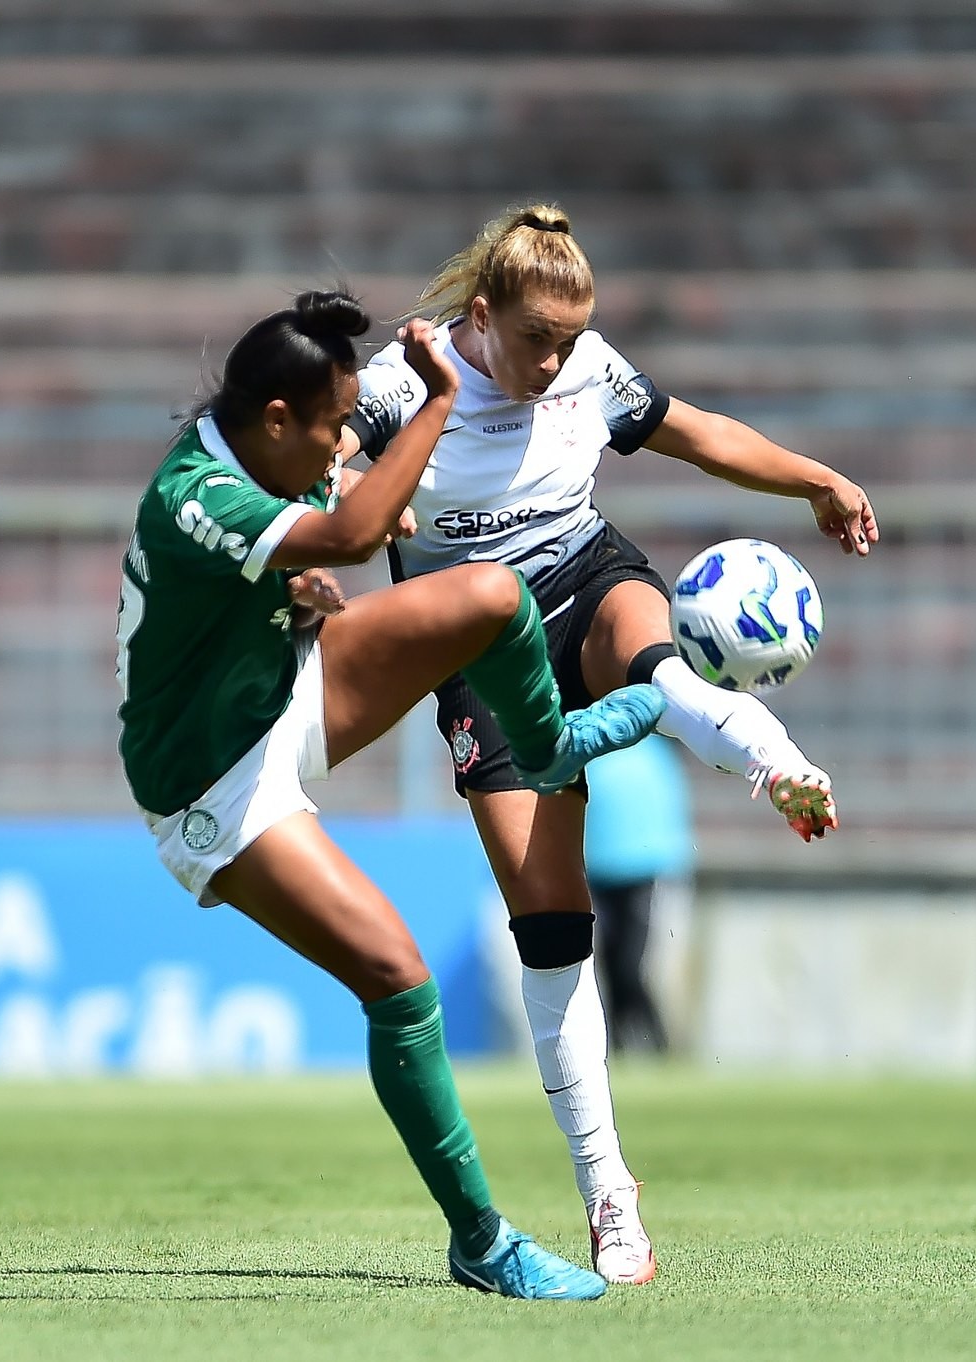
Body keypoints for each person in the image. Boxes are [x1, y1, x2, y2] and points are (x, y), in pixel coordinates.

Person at [337, 203, 880, 1284]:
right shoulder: (411, 379)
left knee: (659, 658)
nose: (555, 359)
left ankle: (778, 764)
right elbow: (323, 467)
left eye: (570, 337)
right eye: (536, 337)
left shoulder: (587, 367)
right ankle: (608, 1194)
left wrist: (814, 476)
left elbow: (697, 432)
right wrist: (357, 500)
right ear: (482, 314)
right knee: (552, 927)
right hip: (476, 638)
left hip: (583, 573)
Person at [115, 289, 669, 1300]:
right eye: (332, 429)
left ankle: (549, 744)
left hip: (282, 686)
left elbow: (314, 545)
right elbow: (354, 535)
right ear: (275, 419)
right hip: (211, 779)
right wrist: (437, 400)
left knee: (489, 594)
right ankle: (480, 1239)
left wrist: (289, 589)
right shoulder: (195, 490)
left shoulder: (256, 451)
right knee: (399, 979)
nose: (341, 448)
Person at [583, 735, 695, 1055]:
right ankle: (621, 1043)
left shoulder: (650, 753)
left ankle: (658, 1043)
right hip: (600, 870)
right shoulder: (601, 746)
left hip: (642, 873)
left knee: (630, 964)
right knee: (609, 960)